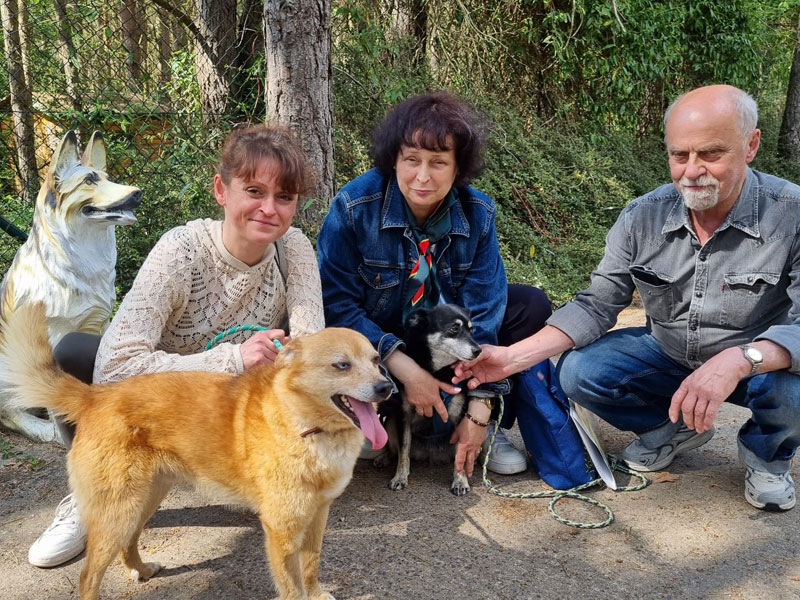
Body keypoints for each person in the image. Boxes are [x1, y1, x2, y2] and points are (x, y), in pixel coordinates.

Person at [455, 84, 800, 512]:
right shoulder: (642, 215)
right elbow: (597, 303)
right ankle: (671, 428)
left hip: (757, 365)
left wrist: (739, 360)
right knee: (579, 371)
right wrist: (511, 358)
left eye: (711, 153)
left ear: (751, 145)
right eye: (680, 155)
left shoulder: (792, 213)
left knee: (793, 394)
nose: (692, 171)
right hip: (670, 355)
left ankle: (768, 456)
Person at [28, 124, 325, 567]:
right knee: (74, 355)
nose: (269, 209)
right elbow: (115, 368)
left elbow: (309, 346)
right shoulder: (181, 251)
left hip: (228, 409)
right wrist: (233, 358)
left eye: (284, 197)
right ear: (221, 190)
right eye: (254, 191)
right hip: (157, 403)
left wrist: (295, 361)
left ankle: (248, 475)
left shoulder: (294, 247)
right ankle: (90, 496)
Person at [316, 92, 553, 481]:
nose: (423, 177)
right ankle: (368, 414)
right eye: (411, 160)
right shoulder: (354, 207)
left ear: (458, 168)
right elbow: (336, 305)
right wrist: (407, 370)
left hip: (447, 341)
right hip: (382, 339)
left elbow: (483, 313)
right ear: (394, 160)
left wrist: (480, 409)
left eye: (438, 162)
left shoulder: (478, 213)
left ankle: (476, 424)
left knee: (529, 304)